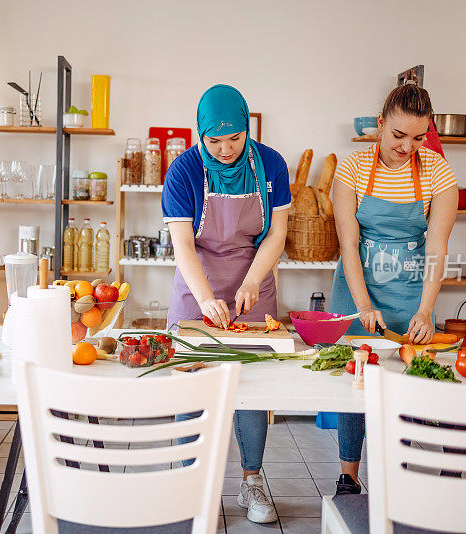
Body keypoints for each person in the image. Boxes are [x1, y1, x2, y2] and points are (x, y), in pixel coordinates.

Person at [161, 84, 290, 523]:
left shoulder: (270, 163)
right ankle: (190, 488)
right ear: (199, 134)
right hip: (196, 283)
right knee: (190, 385)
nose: (225, 149)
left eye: (234, 139)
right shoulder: (182, 170)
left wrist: (254, 279)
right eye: (213, 140)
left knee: (250, 389)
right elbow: (182, 243)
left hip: (252, 281)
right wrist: (204, 299)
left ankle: (251, 482)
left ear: (246, 128)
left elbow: (276, 234)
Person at [328, 83, 458, 495]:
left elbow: (437, 247)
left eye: (418, 137)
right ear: (381, 124)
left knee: (409, 380)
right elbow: (348, 244)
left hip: (410, 292)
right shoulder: (352, 167)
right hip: (357, 286)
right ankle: (349, 476)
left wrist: (425, 310)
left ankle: (400, 477)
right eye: (398, 135)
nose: (407, 147)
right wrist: (363, 306)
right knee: (357, 379)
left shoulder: (437, 171)